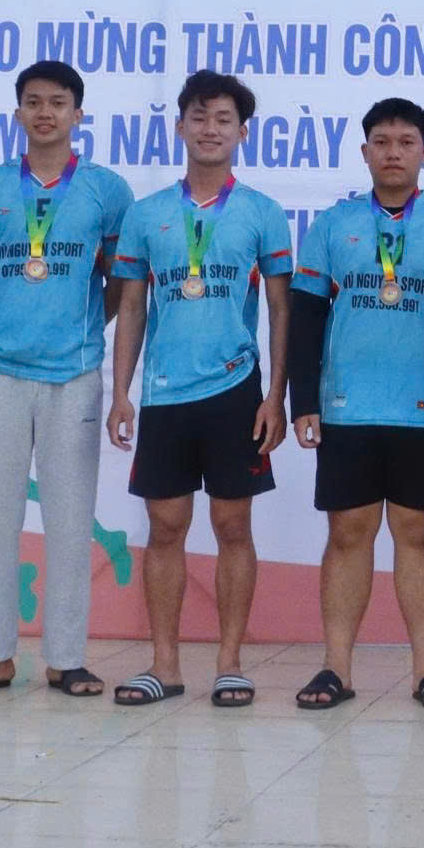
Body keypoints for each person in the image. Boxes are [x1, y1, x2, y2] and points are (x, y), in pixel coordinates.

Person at [0, 60, 134, 699]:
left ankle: (66, 659)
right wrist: (6, 326)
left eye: (57, 102)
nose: (45, 113)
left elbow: (117, 280)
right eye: (33, 102)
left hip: (74, 372)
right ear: (17, 112)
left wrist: (82, 329)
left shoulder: (107, 190)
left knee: (71, 519)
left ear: (79, 114)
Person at [286, 97, 424, 713]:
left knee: (418, 535)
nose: (393, 152)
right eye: (381, 142)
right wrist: (303, 400)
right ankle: (336, 667)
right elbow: (306, 316)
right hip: (346, 407)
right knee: (347, 534)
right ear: (365, 151)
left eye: (405, 142)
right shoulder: (333, 224)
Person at [106, 71, 292, 708]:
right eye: (199, 117)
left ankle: (230, 663)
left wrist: (275, 397)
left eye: (223, 120)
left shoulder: (262, 212)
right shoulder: (147, 214)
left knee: (232, 525)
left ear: (242, 133)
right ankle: (164, 664)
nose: (210, 129)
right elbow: (132, 307)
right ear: (180, 126)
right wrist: (121, 392)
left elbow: (281, 310)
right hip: (164, 394)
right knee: (165, 528)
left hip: (236, 390)